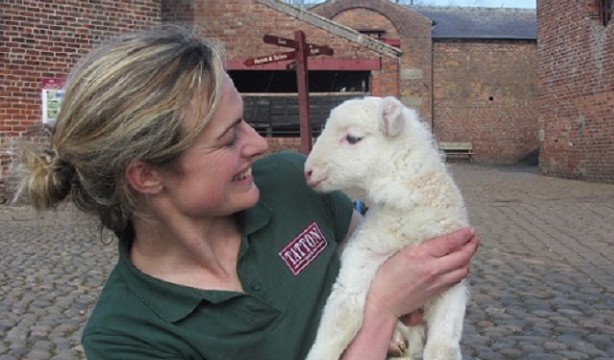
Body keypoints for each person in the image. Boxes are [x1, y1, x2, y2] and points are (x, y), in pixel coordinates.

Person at [17, 26, 479, 360]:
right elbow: (390, 295)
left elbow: (395, 255)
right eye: (229, 137)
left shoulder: (289, 181)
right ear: (147, 176)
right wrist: (381, 311)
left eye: (245, 120)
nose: (258, 144)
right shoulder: (129, 337)